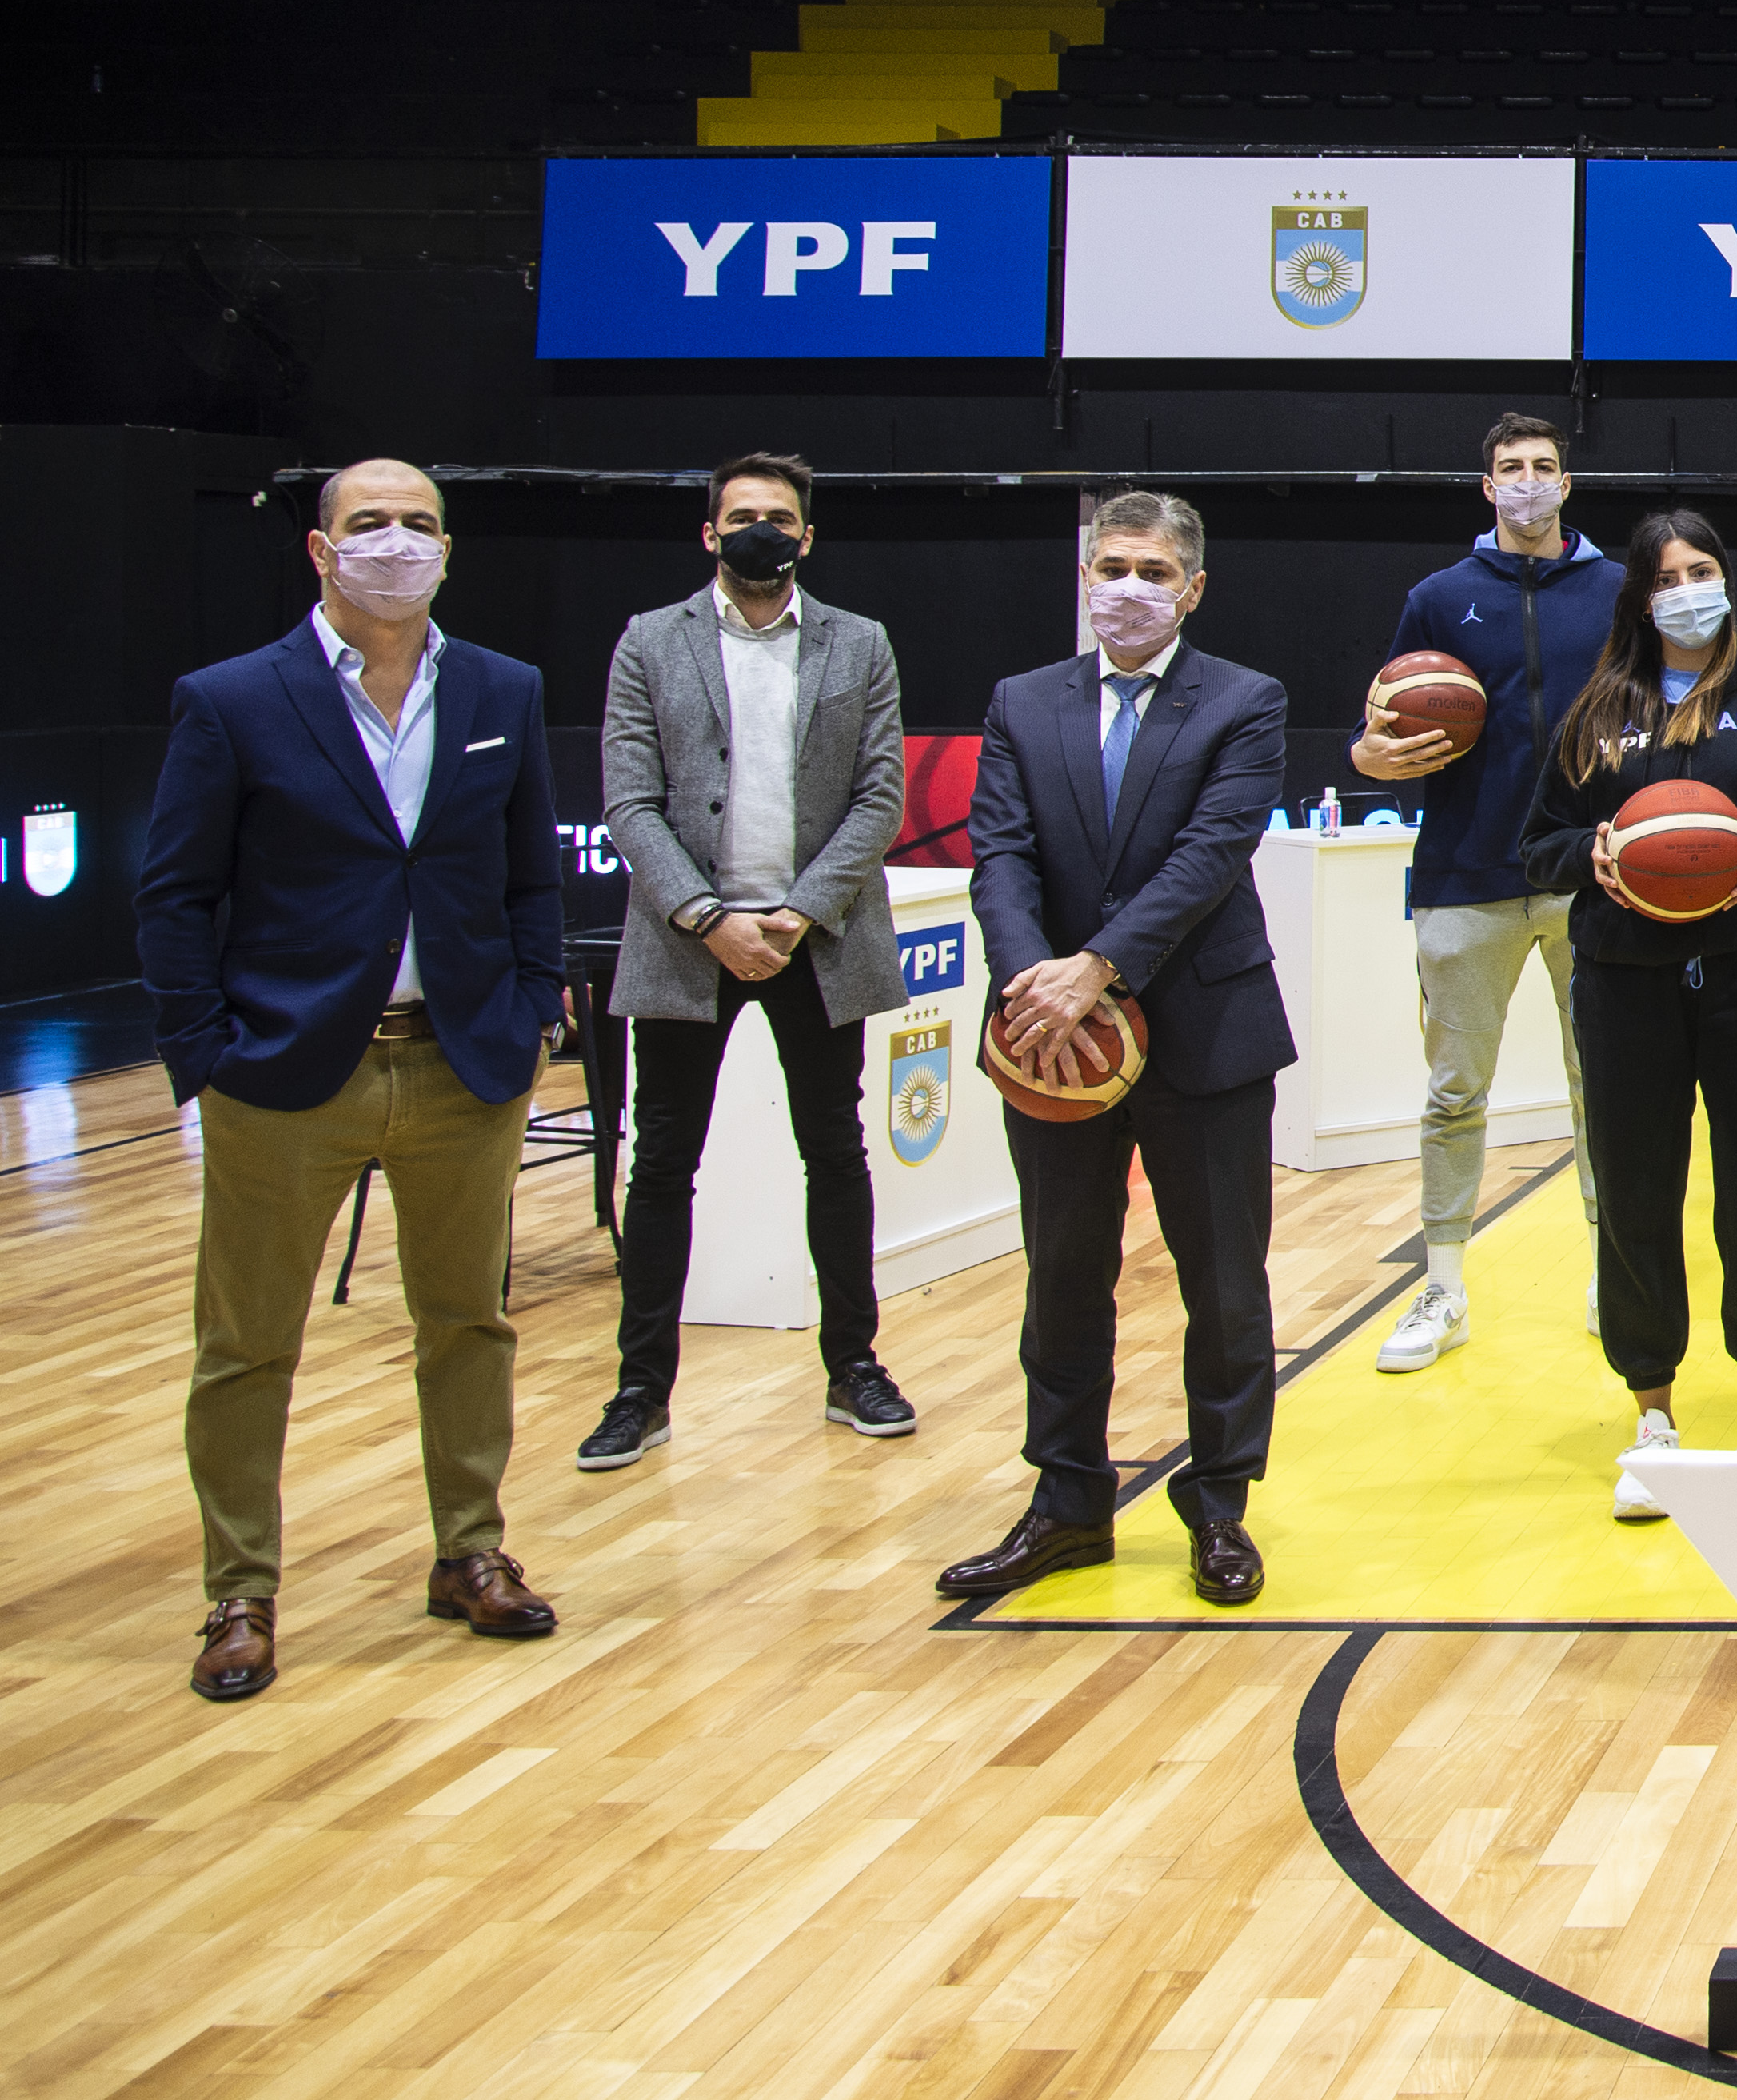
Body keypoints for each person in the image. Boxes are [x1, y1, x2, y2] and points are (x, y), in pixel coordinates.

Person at [137, 460, 571, 1705]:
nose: (396, 541)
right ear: (320, 552)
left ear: (450, 547)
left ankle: (470, 1553)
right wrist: (202, 1050)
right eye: (368, 523)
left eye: (419, 524)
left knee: (469, 1325)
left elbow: (527, 873)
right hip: (285, 1071)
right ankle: (241, 1590)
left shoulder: (499, 688)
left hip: (460, 1065)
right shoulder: (232, 700)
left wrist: (534, 1006)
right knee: (247, 1343)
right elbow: (175, 892)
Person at [938, 491, 1296, 1611]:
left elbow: (1208, 854)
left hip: (1204, 1030)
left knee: (1225, 1285)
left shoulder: (1244, 699)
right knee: (1061, 1277)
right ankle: (1065, 1503)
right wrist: (1029, 981)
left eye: (1150, 570)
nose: (1125, 587)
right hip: (1049, 1041)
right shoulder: (1020, 700)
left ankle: (1221, 1504)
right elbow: (994, 849)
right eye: (1108, 565)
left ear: (1191, 587)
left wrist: (1096, 966)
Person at [580, 451, 914, 1473]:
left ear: (806, 537)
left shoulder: (861, 643)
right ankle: (642, 1389)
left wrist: (801, 912)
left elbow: (879, 796)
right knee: (663, 1161)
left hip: (819, 939)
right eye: (741, 515)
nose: (759, 529)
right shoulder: (649, 640)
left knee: (836, 1151)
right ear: (709, 533)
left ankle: (854, 1364)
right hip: (689, 942)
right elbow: (629, 800)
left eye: (779, 516)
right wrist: (704, 912)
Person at [1521, 507, 1737, 1519]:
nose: (1687, 588)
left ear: (1727, 579)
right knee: (1633, 1196)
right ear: (1640, 595)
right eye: (1667, 576)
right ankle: (1652, 1410)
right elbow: (1537, 847)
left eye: (1701, 568)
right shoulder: (1597, 708)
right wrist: (1598, 858)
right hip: (1626, 980)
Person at [1349, 412, 1625, 1373]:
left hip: (1585, 872)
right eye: (1510, 467)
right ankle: (1442, 1287)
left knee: (1605, 1087)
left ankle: (1611, 1271)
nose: (1528, 481)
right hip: (1463, 874)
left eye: (1543, 467)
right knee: (1454, 1091)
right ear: (1486, 487)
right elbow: (1377, 726)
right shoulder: (1437, 597)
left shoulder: (1618, 591)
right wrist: (1366, 751)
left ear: (1567, 483)